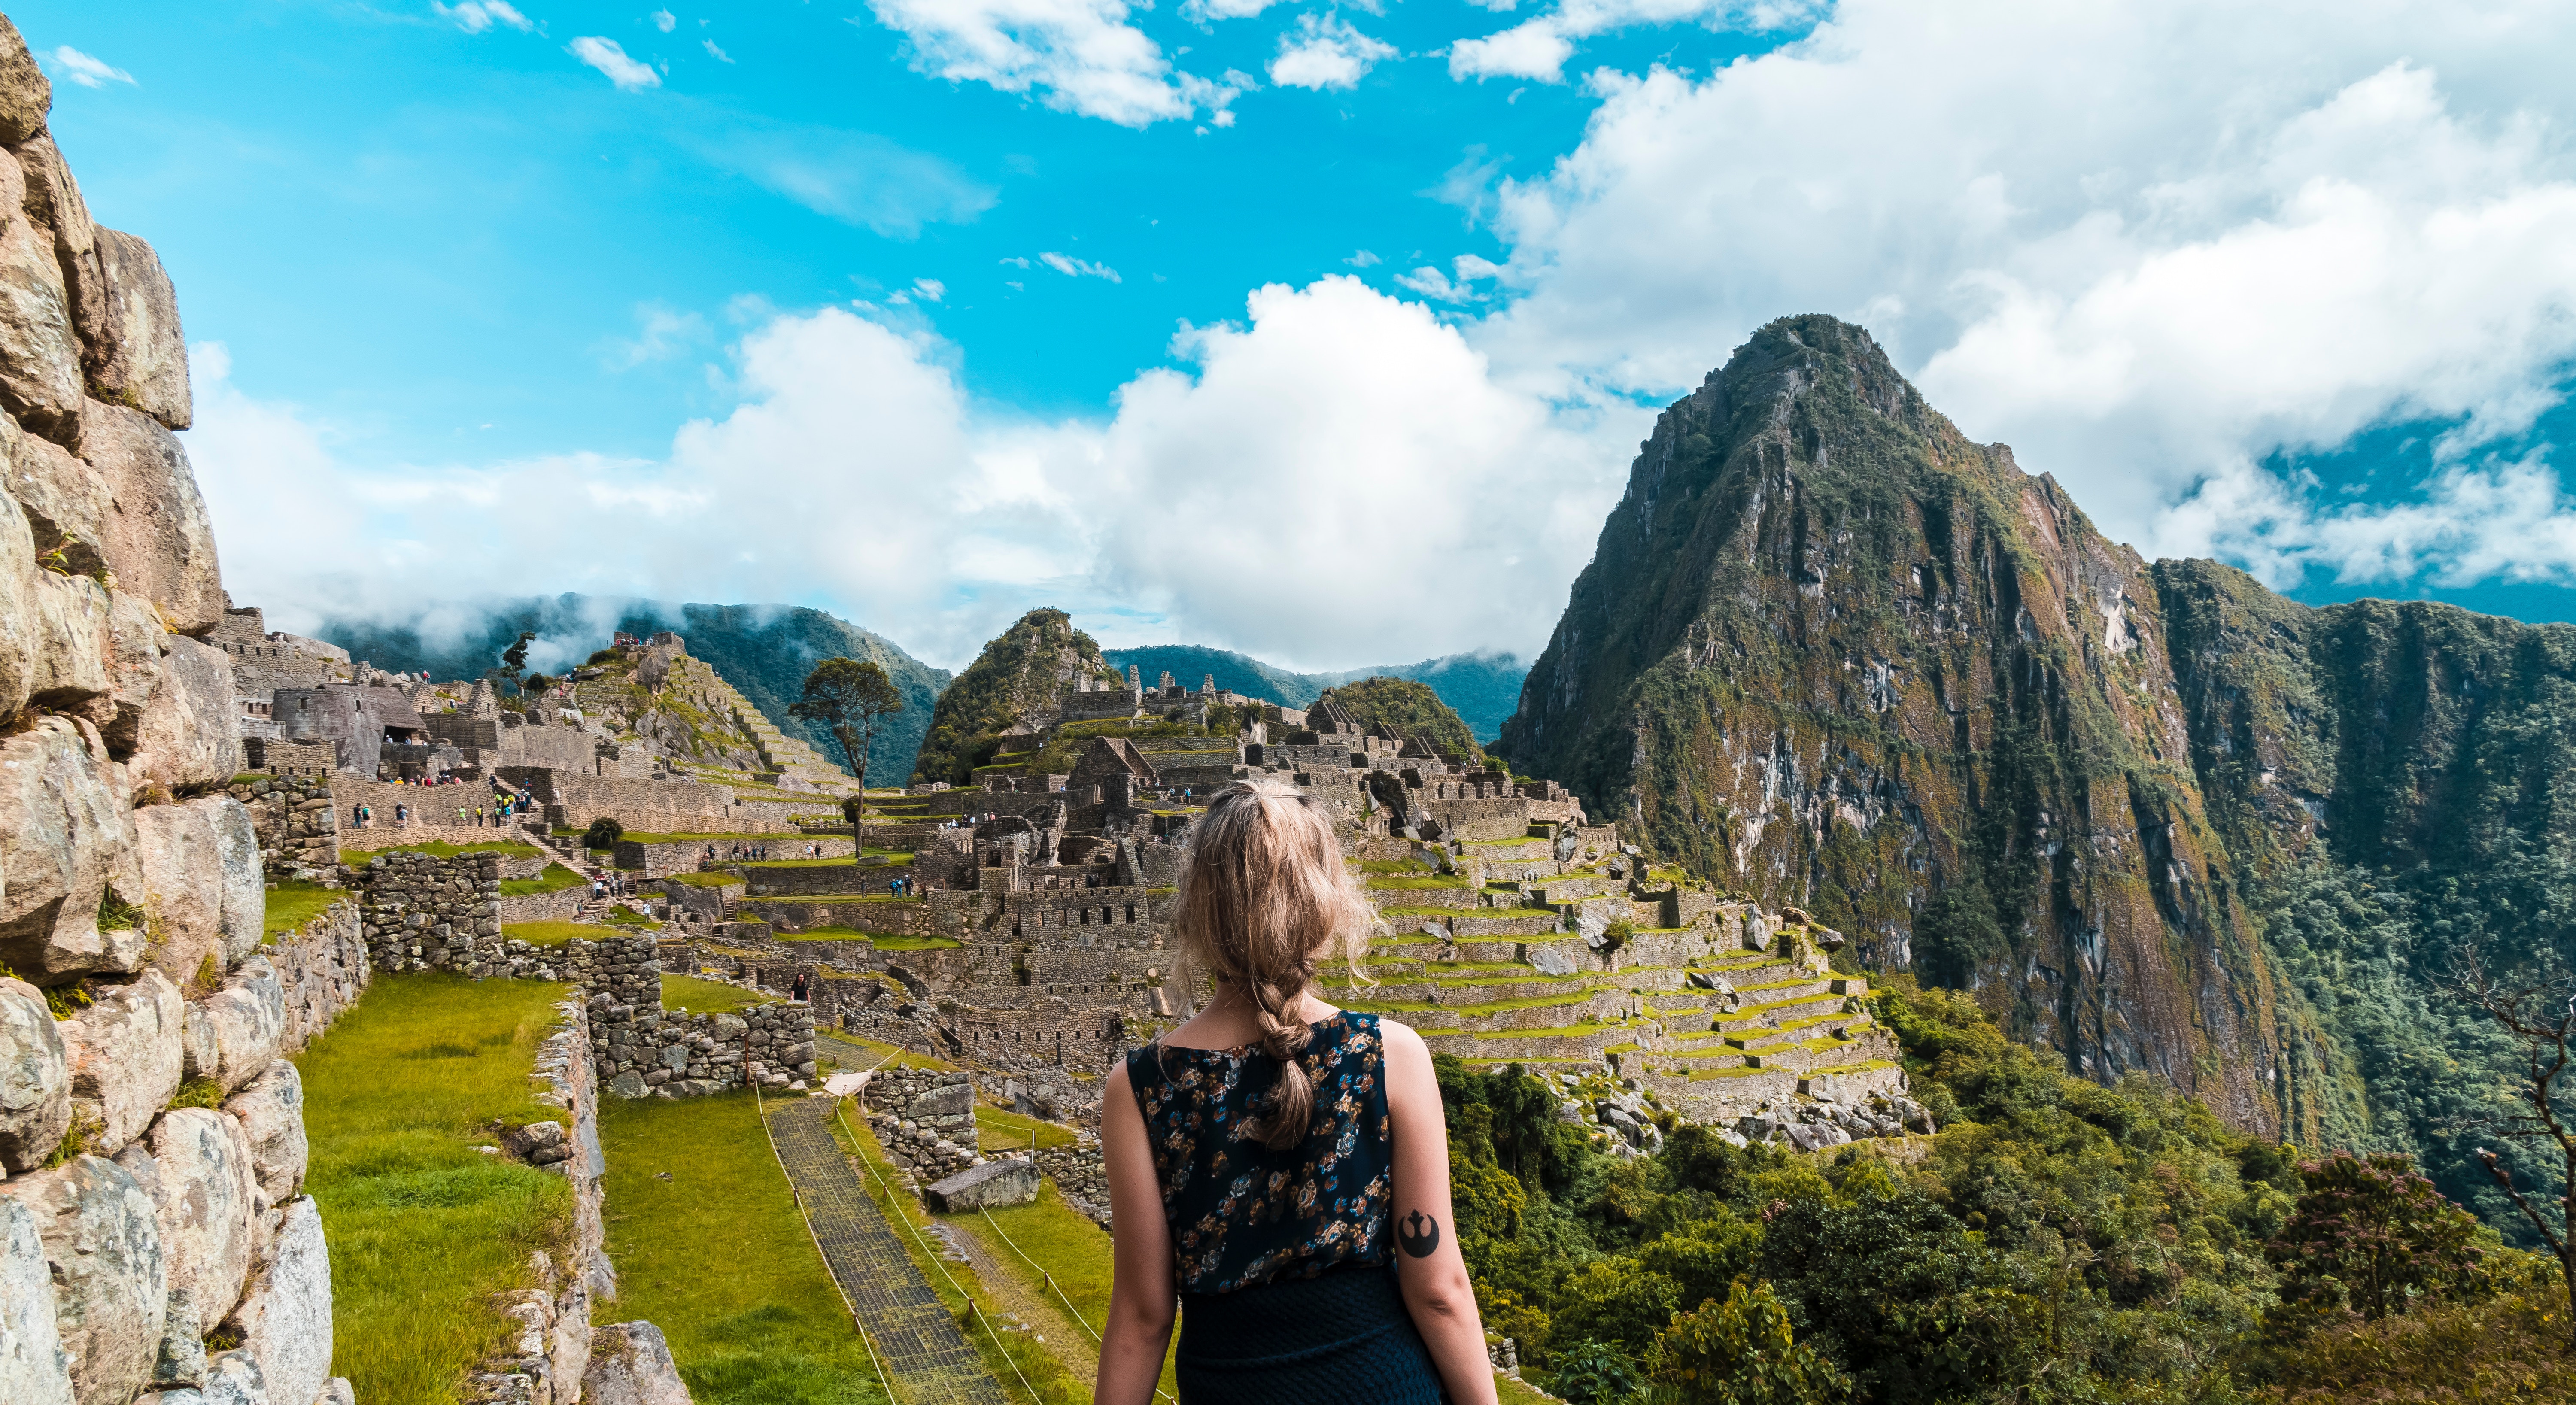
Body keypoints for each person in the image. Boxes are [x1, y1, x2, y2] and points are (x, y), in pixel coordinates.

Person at [1095, 780, 1491, 1405]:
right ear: (1322, 903)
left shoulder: (1143, 1088)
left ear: (1200, 908)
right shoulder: (1390, 1057)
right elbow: (1439, 1289)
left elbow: (1144, 1318)